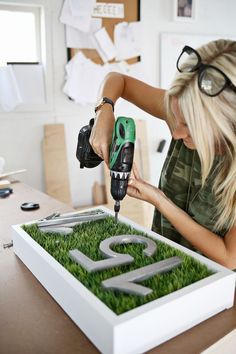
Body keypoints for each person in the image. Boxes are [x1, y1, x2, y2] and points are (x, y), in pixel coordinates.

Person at [90, 39, 236, 270]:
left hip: (216, 287)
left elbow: (229, 256)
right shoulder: (183, 111)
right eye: (174, 117)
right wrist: (104, 110)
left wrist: (158, 199)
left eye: (188, 126)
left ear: (225, 122)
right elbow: (118, 80)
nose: (176, 133)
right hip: (163, 263)